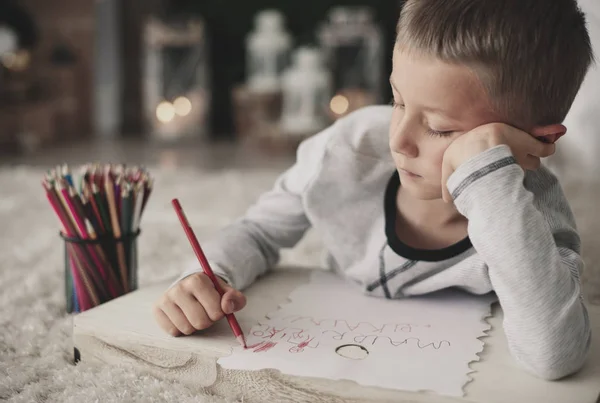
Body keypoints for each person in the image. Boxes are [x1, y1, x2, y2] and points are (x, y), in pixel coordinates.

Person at [153, 0, 595, 381]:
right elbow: (258, 233)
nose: (398, 140)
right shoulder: (347, 151)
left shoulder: (530, 215)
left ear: (535, 142)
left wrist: (487, 175)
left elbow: (554, 354)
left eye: (440, 128)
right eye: (397, 101)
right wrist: (208, 277)